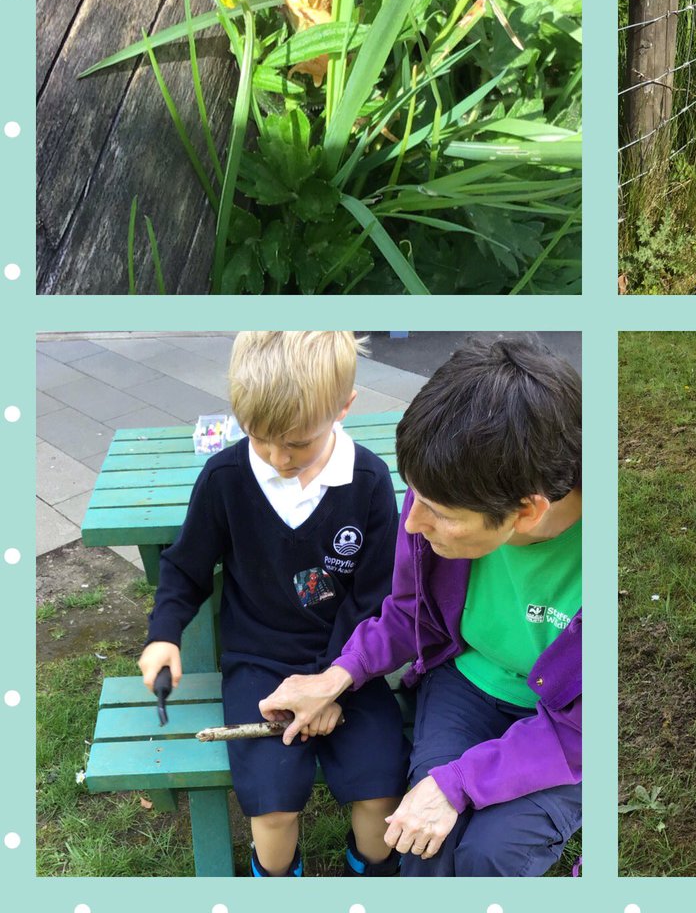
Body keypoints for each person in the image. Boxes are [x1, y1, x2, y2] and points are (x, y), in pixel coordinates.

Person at [259, 335, 583, 877]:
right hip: (467, 685)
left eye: (435, 512)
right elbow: (411, 611)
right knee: (421, 834)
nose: (411, 525)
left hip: (572, 728)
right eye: (414, 497)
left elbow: (584, 730)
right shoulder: (445, 484)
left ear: (527, 512)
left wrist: (458, 783)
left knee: (490, 853)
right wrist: (337, 677)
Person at [137, 332, 406, 878]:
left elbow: (374, 597)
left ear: (343, 407)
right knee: (273, 804)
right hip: (258, 665)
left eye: (297, 443)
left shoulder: (370, 481)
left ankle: (374, 877)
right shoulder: (226, 477)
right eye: (260, 438)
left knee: (381, 790)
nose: (278, 458)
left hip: (349, 662)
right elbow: (186, 566)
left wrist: (336, 682)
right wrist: (164, 633)